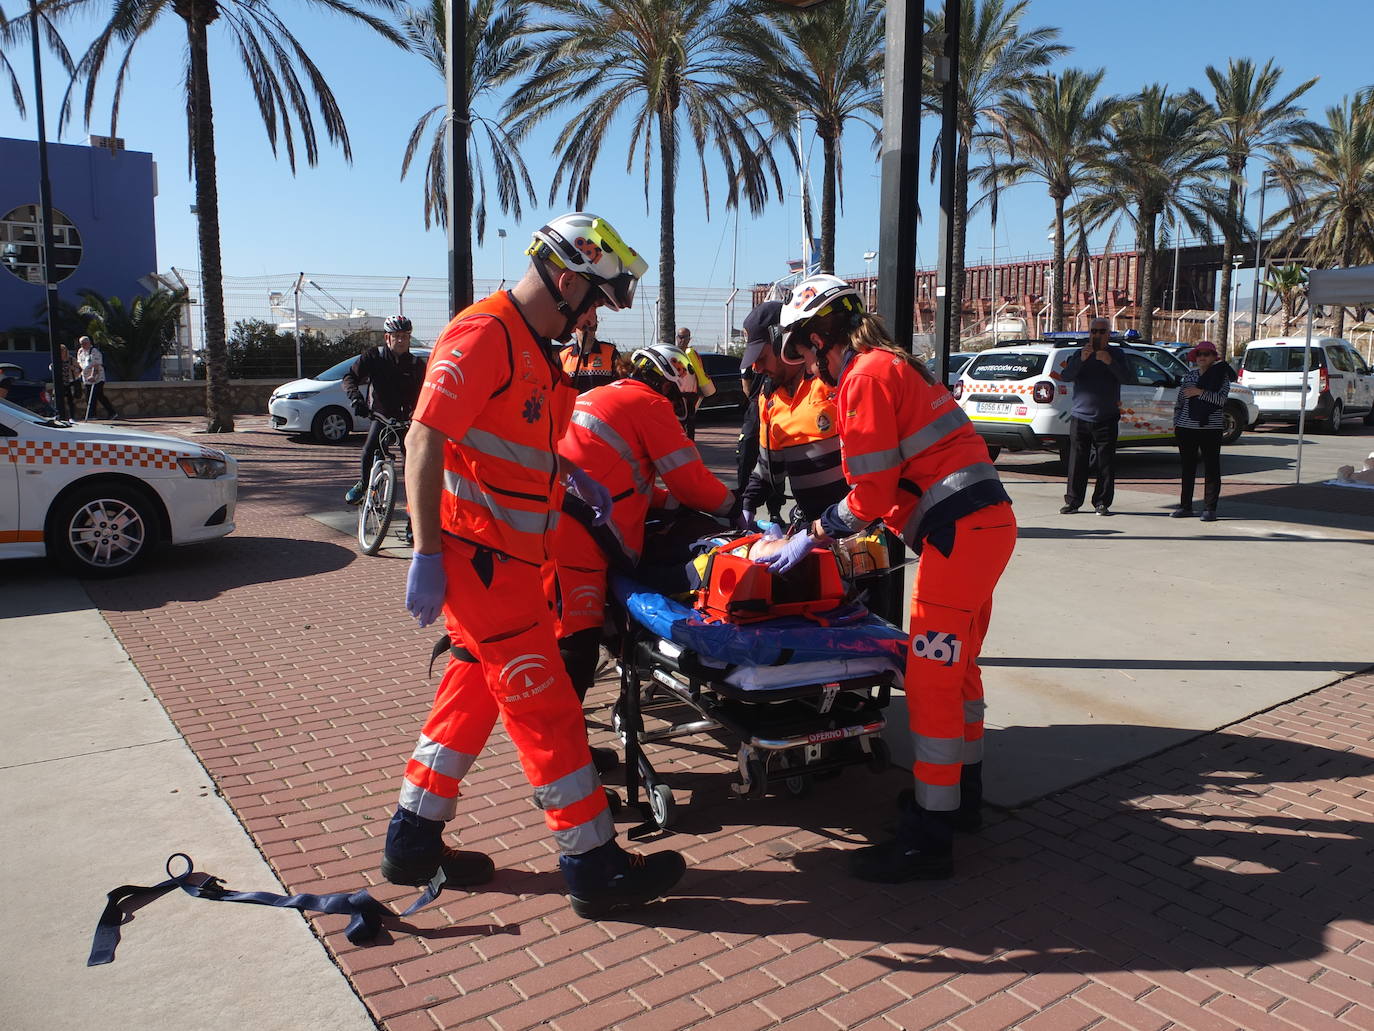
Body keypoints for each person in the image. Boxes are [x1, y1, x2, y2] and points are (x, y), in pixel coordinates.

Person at [389, 211, 685, 919]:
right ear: (564, 278)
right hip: (480, 562)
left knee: (471, 691)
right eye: (590, 302)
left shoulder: (531, 348)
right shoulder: (485, 334)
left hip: (509, 563)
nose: (589, 322)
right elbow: (423, 441)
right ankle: (593, 863)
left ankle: (413, 838)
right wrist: (427, 551)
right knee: (547, 706)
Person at [758, 273, 1016, 884]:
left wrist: (815, 533)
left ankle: (930, 836)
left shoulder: (865, 377)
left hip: (959, 536)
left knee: (929, 679)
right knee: (959, 672)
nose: (804, 366)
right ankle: (959, 802)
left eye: (802, 349)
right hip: (981, 528)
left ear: (821, 336)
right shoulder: (894, 365)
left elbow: (869, 493)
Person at [547, 343, 737, 757]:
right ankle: (563, 759)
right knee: (575, 643)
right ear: (672, 385)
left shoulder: (604, 394)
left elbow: (621, 477)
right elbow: (692, 481)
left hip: (550, 513)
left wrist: (669, 501)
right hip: (577, 531)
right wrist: (734, 507)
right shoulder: (650, 404)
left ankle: (563, 744)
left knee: (558, 632)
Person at [738, 299, 847, 528]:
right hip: (812, 528)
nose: (756, 368)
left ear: (783, 343)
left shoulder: (829, 380)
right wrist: (747, 504)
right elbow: (768, 467)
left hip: (855, 526)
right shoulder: (768, 400)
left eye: (761, 358)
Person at [342, 315, 427, 536]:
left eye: (406, 336)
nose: (401, 341)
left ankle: (413, 524)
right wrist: (355, 399)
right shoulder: (374, 357)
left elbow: (426, 393)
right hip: (381, 417)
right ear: (387, 337)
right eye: (397, 336)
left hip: (407, 422)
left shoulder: (417, 365)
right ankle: (363, 484)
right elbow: (350, 377)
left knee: (412, 472)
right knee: (368, 451)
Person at [1059, 317, 1128, 516]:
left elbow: (1127, 377)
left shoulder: (1117, 354)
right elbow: (1066, 376)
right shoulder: (1079, 353)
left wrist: (1110, 362)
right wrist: (1081, 360)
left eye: (1101, 331)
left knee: (1105, 463)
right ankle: (1073, 502)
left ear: (1109, 334)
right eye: (1093, 331)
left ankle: (1102, 502)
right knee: (1077, 461)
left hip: (1107, 416)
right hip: (1080, 416)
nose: (1097, 335)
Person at [1171, 340, 1230, 523]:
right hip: (1186, 428)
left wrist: (1199, 392)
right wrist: (1176, 422)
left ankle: (1210, 508)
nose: (1202, 357)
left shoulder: (1221, 376)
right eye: (1199, 354)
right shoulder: (1189, 376)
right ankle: (1185, 506)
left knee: (1212, 469)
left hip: (1210, 429)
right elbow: (1181, 401)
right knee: (1187, 468)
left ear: (1214, 357)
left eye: (1206, 354)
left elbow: (1221, 401)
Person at [557, 314, 620, 393]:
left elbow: (621, 385)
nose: (588, 331)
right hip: (575, 404)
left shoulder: (610, 352)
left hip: (601, 404)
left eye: (592, 327)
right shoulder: (564, 355)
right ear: (575, 328)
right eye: (583, 327)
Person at [673, 327, 714, 439]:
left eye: (685, 337)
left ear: (689, 339)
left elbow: (699, 372)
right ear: (677, 337)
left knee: (689, 423)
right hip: (676, 394)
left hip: (690, 394)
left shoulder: (692, 355)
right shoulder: (672, 354)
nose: (682, 340)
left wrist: (701, 389)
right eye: (680, 337)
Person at [77, 335, 118, 420]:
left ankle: (92, 415)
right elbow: (80, 363)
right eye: (81, 344)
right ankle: (112, 412)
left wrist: (93, 375)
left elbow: (96, 365)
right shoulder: (81, 352)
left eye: (85, 343)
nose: (83, 345)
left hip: (97, 378)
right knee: (99, 395)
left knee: (92, 396)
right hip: (86, 378)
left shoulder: (94, 351)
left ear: (89, 343)